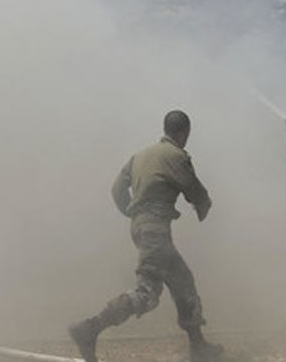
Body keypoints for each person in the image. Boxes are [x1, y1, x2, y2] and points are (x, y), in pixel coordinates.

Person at [68, 111, 223, 362]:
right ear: (184, 132)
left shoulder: (139, 155)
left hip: (143, 227)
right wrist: (204, 205)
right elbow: (194, 189)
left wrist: (134, 213)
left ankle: (199, 346)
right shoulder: (176, 156)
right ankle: (89, 329)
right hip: (155, 230)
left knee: (183, 281)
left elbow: (117, 189)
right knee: (147, 294)